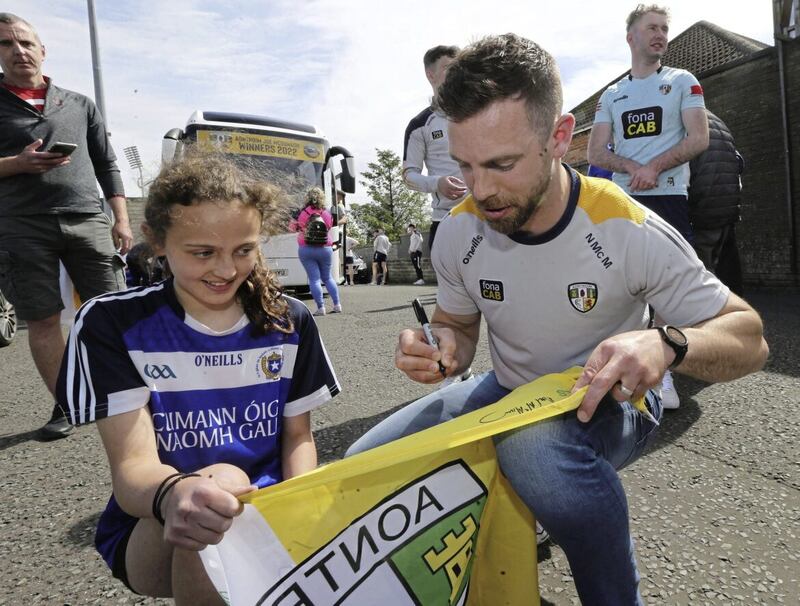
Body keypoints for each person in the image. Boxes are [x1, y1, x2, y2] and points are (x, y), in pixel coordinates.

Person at [347, 34, 768, 605]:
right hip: (509, 388)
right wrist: (440, 345)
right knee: (362, 468)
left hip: (610, 401)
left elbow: (750, 339)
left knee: (534, 449)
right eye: (467, 166)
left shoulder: (625, 227)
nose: (482, 190)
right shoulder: (459, 230)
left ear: (560, 138)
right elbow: (459, 327)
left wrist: (667, 343)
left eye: (502, 164)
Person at [55, 154, 340, 604]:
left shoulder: (290, 320)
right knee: (220, 483)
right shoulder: (112, 322)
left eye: (244, 250)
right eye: (203, 252)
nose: (226, 270)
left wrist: (299, 512)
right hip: (158, 526)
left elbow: (298, 439)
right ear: (157, 241)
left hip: (264, 508)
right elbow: (133, 471)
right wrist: (177, 495)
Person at [0, 13, 133, 440]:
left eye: (25, 42)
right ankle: (69, 403)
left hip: (87, 217)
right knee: (43, 319)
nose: (18, 51)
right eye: (6, 44)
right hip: (21, 225)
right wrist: (17, 164)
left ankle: (128, 391)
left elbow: (106, 163)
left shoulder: (78, 103)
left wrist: (121, 219)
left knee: (112, 310)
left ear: (42, 50)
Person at [587, 3, 710, 409]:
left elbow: (698, 138)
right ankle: (612, 364)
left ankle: (661, 375)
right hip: (623, 200)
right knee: (619, 283)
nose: (660, 34)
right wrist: (632, 168)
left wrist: (655, 167)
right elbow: (596, 150)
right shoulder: (612, 94)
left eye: (664, 28)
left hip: (669, 195)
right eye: (651, 28)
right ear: (631, 38)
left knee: (667, 289)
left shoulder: (682, 81)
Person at [402, 45, 468, 252]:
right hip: (447, 220)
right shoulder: (419, 125)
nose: (457, 72)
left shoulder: (481, 113)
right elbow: (408, 176)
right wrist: (437, 183)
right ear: (431, 75)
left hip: (489, 217)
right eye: (449, 67)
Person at [688, 110, 744, 295]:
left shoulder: (687, 120)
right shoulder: (720, 123)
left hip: (703, 209)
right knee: (728, 271)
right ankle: (738, 316)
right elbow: (739, 163)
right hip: (728, 206)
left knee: (700, 275)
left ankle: (711, 321)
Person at [290, 187, 342, 316]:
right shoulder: (326, 213)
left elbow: (293, 228)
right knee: (328, 277)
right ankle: (337, 305)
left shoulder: (303, 213)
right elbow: (329, 226)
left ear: (307, 197)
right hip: (325, 248)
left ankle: (321, 308)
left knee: (314, 279)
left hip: (306, 248)